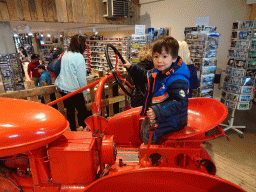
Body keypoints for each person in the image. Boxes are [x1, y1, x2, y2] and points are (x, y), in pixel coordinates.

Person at [122, 36, 191, 144]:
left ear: (173, 58)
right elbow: (146, 75)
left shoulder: (178, 79)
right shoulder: (159, 72)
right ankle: (146, 147)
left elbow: (179, 103)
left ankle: (152, 155)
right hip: (162, 114)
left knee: (149, 132)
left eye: (164, 56)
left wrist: (157, 110)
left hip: (173, 119)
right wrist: (131, 68)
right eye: (156, 56)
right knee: (144, 124)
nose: (159, 61)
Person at [54, 34, 91, 131]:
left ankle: (73, 132)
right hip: (73, 90)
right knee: (83, 112)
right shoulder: (79, 57)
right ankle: (86, 131)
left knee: (70, 111)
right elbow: (81, 78)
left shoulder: (66, 53)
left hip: (62, 88)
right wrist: (84, 93)